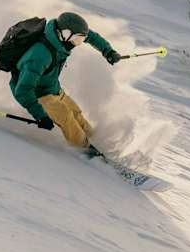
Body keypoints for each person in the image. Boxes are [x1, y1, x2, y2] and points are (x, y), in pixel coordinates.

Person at [10, 12, 121, 156]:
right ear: (65, 34)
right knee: (66, 118)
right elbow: (23, 90)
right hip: (38, 94)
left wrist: (108, 51)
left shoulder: (60, 40)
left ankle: (95, 142)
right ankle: (86, 151)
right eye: (76, 40)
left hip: (53, 88)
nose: (77, 44)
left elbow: (91, 36)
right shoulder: (40, 55)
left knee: (76, 114)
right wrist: (40, 116)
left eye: (80, 40)